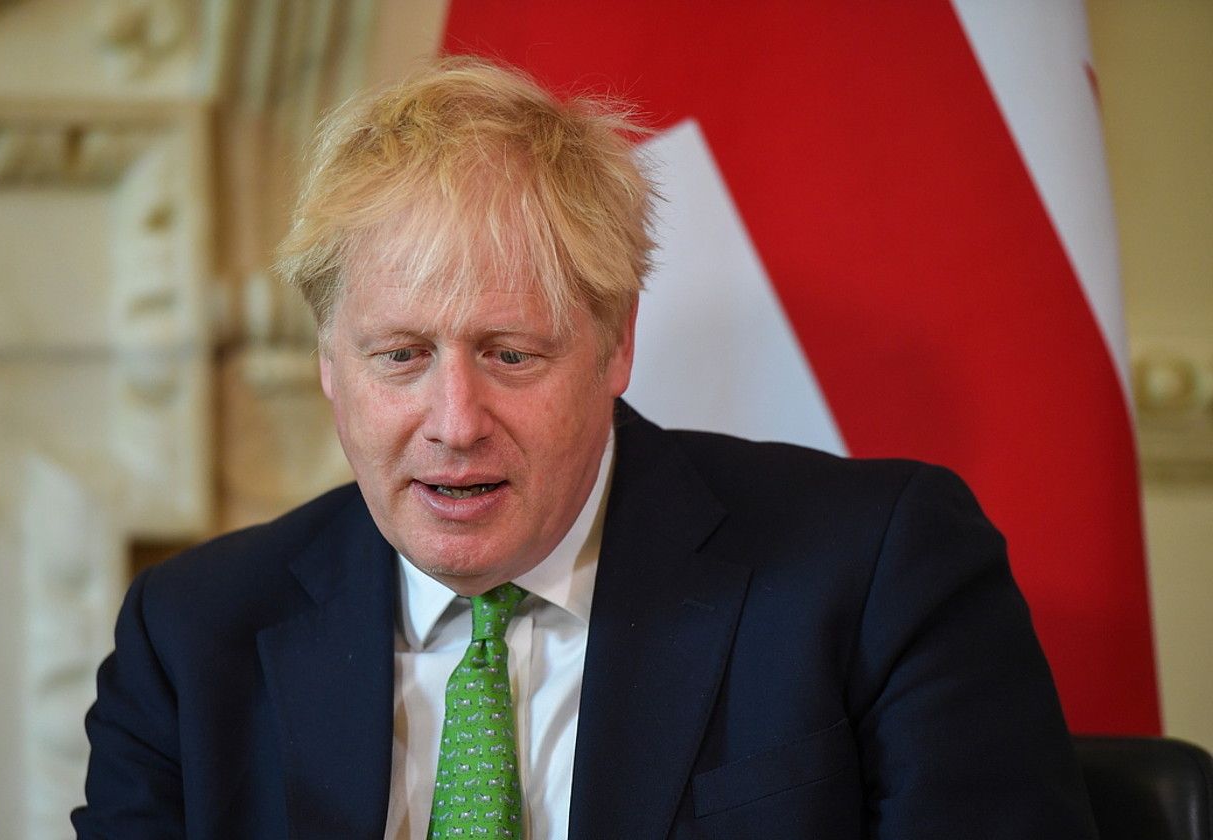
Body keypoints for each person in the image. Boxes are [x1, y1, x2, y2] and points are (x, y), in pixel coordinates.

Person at [73, 57, 1096, 839]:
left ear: (616, 345)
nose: (454, 419)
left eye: (510, 354)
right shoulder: (190, 638)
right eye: (398, 356)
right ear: (329, 366)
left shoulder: (874, 571)